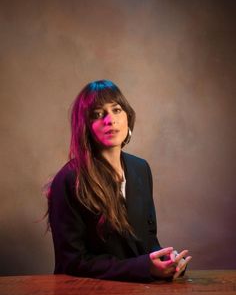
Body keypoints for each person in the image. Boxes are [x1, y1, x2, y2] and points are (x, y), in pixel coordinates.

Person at [48, 80, 192, 282]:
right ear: (85, 127)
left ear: (128, 117)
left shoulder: (140, 169)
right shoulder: (69, 179)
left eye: (116, 110)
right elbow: (71, 262)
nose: (110, 120)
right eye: (98, 114)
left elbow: (147, 241)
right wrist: (144, 268)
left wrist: (168, 261)